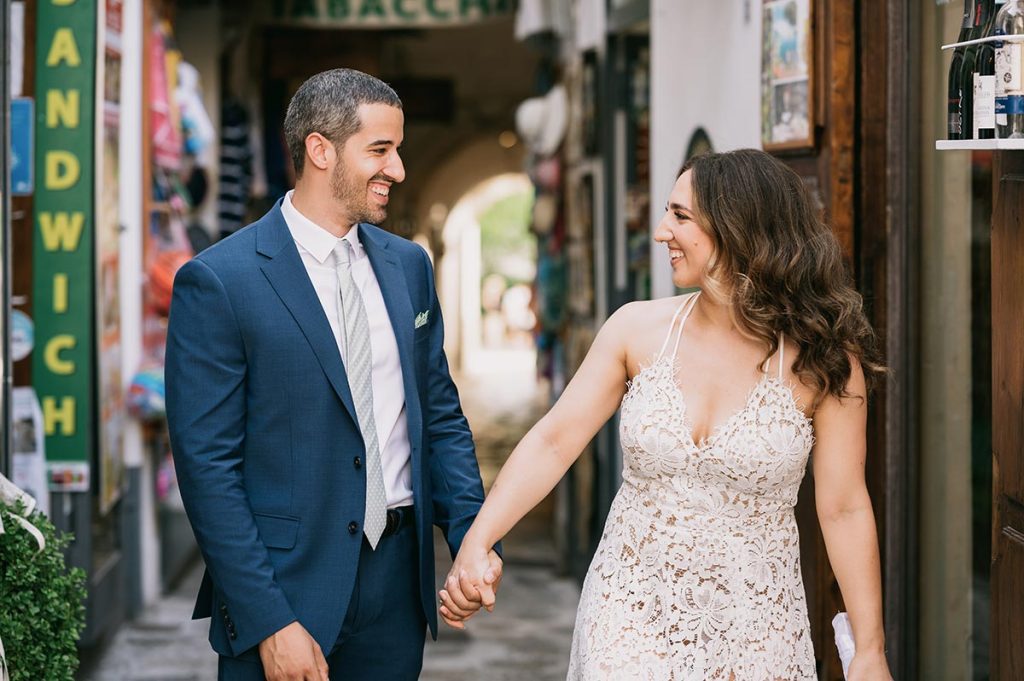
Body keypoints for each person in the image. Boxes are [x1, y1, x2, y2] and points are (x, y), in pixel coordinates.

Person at [439, 149, 893, 680]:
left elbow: (842, 506)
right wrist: (477, 540)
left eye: (680, 216)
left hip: (756, 626)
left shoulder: (826, 361)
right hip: (627, 613)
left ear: (739, 227)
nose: (660, 232)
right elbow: (554, 441)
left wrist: (869, 648)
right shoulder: (636, 329)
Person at [166, 68, 501, 681]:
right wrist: (268, 620)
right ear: (319, 150)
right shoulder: (219, 282)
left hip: (397, 592)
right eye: (380, 150)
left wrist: (474, 538)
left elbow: (440, 416)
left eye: (397, 150)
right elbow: (207, 469)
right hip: (283, 591)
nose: (397, 170)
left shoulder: (409, 267)